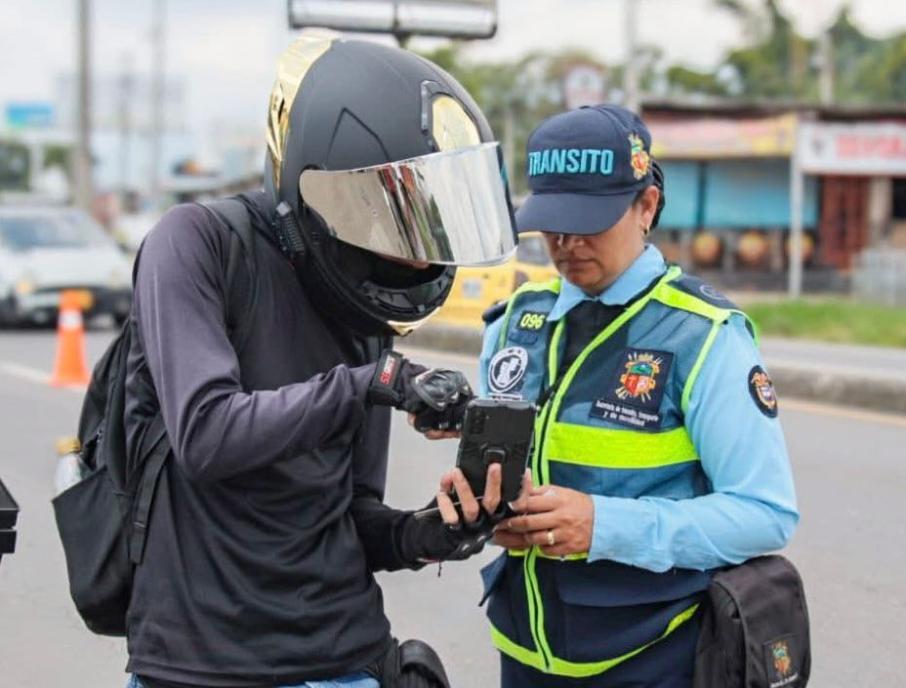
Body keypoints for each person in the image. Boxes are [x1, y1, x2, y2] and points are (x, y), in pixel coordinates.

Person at [123, 35, 518, 688]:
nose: (421, 249)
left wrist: (434, 531)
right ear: (321, 184)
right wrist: (375, 383)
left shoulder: (360, 296)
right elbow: (205, 434)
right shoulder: (198, 245)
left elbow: (350, 521)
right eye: (397, 208)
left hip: (347, 659)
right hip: (202, 665)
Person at [476, 104, 800, 687]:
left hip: (653, 658)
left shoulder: (704, 337)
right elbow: (496, 471)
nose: (567, 244)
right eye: (553, 224)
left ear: (646, 206)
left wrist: (603, 525)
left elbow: (766, 513)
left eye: (588, 222)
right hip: (522, 653)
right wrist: (478, 511)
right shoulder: (514, 325)